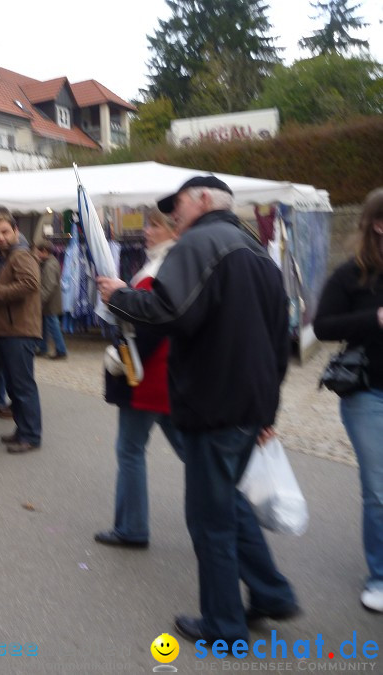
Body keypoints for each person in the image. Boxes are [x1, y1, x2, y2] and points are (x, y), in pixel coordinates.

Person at [97, 176, 298, 645]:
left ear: (205, 200)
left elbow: (170, 310)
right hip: (249, 405)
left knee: (210, 519)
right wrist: (268, 409)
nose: (173, 216)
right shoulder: (256, 251)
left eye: (179, 205)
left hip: (214, 403)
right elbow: (278, 342)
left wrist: (118, 296)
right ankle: (272, 593)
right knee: (226, 504)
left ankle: (224, 626)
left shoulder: (200, 243)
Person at [94, 208, 185, 549]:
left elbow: (149, 324)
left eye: (154, 225)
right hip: (165, 375)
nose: (146, 231)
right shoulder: (170, 263)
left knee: (130, 451)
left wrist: (123, 356)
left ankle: (132, 527)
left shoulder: (163, 267)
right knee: (193, 453)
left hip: (146, 375)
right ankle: (235, 513)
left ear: (172, 229)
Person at [314, 187, 383, 613]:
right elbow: (322, 327)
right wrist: (373, 318)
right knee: (378, 490)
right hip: (368, 394)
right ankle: (379, 576)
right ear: (378, 223)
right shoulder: (351, 275)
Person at [0, 207, 42, 454]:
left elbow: (30, 283)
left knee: (23, 386)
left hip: (20, 330)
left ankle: (31, 435)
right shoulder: (6, 255)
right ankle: (22, 430)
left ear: (15, 230)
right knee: (15, 386)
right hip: (8, 329)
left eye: (5, 232)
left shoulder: (21, 255)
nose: (1, 237)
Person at [34, 241, 67, 360]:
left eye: (39, 251)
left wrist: (40, 301)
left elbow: (49, 285)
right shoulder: (49, 262)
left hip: (50, 302)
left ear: (44, 251)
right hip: (49, 301)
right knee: (45, 326)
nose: (37, 253)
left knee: (53, 326)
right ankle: (43, 348)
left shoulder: (49, 265)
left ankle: (61, 350)